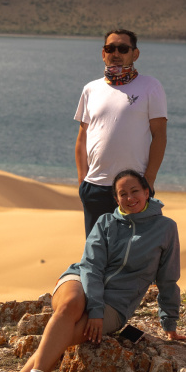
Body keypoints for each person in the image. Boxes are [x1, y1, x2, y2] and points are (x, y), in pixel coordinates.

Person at [0, 169, 180, 372]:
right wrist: (94, 309)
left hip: (116, 304)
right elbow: (92, 267)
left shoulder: (166, 228)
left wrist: (169, 323)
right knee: (69, 305)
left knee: (66, 336)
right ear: (116, 199)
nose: (129, 198)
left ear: (147, 192)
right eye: (122, 194)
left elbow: (168, 279)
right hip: (80, 279)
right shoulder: (105, 222)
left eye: (135, 191)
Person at [74, 28, 167, 237]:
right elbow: (82, 138)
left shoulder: (150, 86)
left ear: (135, 54)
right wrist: (82, 181)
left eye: (123, 49)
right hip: (95, 187)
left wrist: (148, 180)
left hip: (133, 189)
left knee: (134, 249)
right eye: (110, 48)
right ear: (103, 53)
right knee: (97, 250)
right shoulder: (90, 89)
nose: (116, 53)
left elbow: (159, 135)